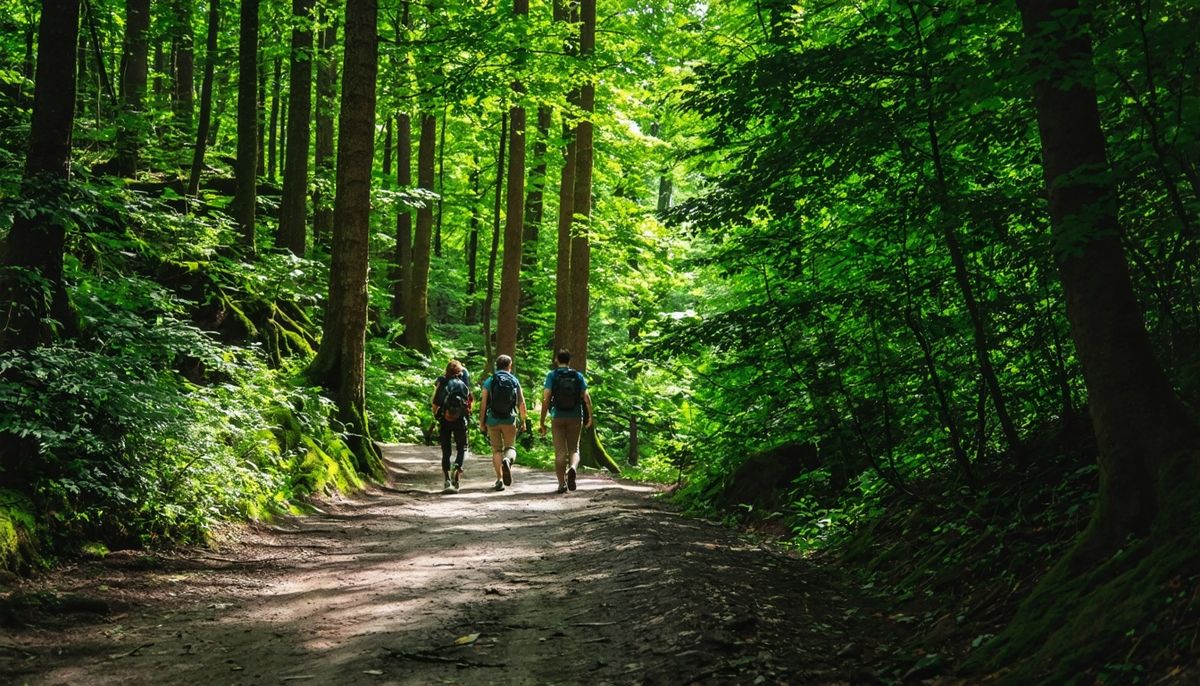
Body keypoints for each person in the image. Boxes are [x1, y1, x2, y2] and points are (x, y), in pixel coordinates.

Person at [539, 349, 593, 494]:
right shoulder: (578, 376)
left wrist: (542, 420)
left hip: (557, 416)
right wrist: (590, 417)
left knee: (560, 452)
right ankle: (573, 469)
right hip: (575, 416)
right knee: (574, 449)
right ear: (569, 361)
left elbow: (546, 398)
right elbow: (586, 398)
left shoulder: (552, 375)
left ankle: (561, 484)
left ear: (557, 359)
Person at [478, 354, 529, 491]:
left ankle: (499, 479)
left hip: (492, 419)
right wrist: (523, 421)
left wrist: (481, 422)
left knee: (496, 450)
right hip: (509, 419)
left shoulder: (491, 380)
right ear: (509, 366)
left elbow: (483, 404)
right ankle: (507, 460)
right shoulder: (514, 380)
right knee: (510, 447)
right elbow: (521, 403)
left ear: (497, 365)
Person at [431, 360, 472, 493]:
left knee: (446, 449)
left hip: (445, 421)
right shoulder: (462, 385)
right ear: (459, 372)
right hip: (460, 420)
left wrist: (437, 416)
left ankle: (447, 479)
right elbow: (468, 403)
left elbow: (435, 404)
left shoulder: (443, 384)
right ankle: (457, 468)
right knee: (462, 447)